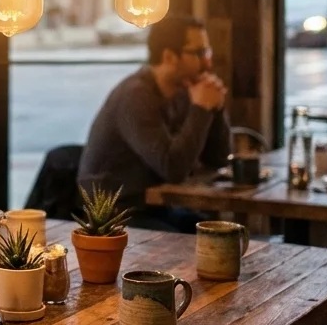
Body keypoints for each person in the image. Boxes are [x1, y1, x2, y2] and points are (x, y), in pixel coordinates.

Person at [77, 14, 231, 231]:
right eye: (199, 53)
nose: (208, 61)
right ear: (169, 57)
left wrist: (215, 106)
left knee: (219, 231)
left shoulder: (184, 91)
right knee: (193, 242)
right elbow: (173, 168)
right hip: (114, 215)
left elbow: (218, 158)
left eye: (207, 51)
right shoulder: (135, 96)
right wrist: (202, 109)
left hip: (154, 207)